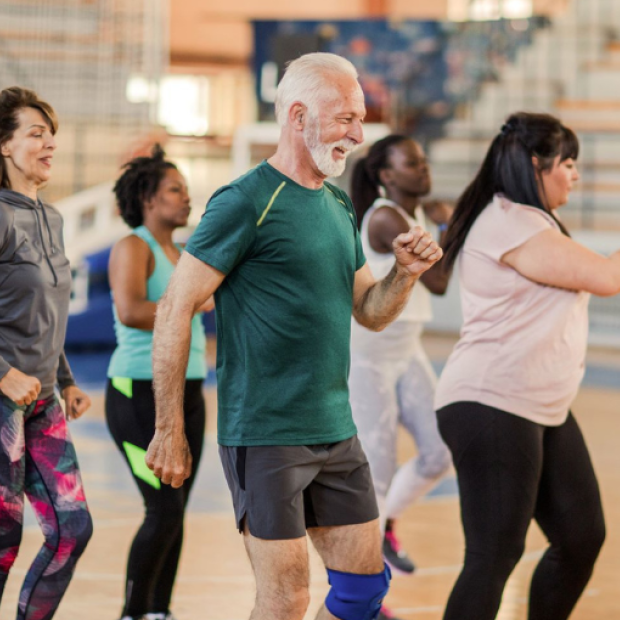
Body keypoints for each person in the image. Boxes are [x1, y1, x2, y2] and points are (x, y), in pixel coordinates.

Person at [145, 53, 443, 620]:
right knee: (286, 602)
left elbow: (370, 312)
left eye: (361, 119)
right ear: (299, 115)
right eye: (346, 119)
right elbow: (174, 308)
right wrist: (170, 429)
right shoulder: (244, 201)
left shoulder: (335, 203)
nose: (358, 134)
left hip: (335, 428)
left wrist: (404, 273)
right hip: (265, 433)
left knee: (362, 592)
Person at [435, 111, 609, 620]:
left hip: (541, 405)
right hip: (491, 402)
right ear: (538, 164)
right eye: (568, 163)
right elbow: (606, 275)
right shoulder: (508, 220)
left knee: (581, 538)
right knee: (494, 554)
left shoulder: (533, 221)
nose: (574, 175)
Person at [105, 145, 209, 620]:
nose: (185, 198)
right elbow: (129, 310)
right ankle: (132, 612)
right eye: (174, 189)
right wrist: (187, 307)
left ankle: (157, 612)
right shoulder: (134, 246)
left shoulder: (187, 253)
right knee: (162, 510)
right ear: (147, 197)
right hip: (136, 395)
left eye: (186, 190)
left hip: (189, 394)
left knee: (177, 510)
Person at [0, 86, 93, 619]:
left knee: (71, 529)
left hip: (42, 402)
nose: (49, 142)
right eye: (35, 133)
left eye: (51, 133)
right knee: (2, 539)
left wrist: (66, 379)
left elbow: (46, 313)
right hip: (2, 400)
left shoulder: (51, 218)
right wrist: (3, 375)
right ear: (4, 147)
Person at [349, 135, 453, 582]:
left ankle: (387, 524)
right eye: (412, 162)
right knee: (378, 471)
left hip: (406, 347)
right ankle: (368, 596)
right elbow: (440, 281)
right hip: (370, 352)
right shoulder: (387, 217)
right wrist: (449, 225)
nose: (424, 168)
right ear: (387, 175)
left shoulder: (409, 214)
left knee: (440, 451)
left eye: (424, 158)